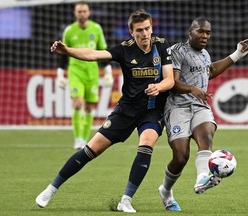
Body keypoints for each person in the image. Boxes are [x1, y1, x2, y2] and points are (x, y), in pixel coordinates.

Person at [35, 9, 174, 213]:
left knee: (146, 144)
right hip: (126, 110)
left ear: (151, 27)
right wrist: (67, 51)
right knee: (91, 149)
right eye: (139, 31)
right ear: (131, 32)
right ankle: (50, 189)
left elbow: (169, 79)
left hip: (152, 110)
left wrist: (159, 87)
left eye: (147, 29)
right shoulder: (124, 49)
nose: (145, 34)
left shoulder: (161, 46)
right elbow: (93, 55)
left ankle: (125, 200)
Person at [157, 17, 248, 211]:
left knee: (206, 136)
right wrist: (192, 89)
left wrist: (236, 55)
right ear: (190, 31)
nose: (205, 36)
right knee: (181, 156)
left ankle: (201, 178)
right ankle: (165, 191)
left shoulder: (205, 54)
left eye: (208, 32)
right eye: (201, 31)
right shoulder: (177, 51)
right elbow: (172, 82)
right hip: (177, 107)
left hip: (200, 106)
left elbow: (210, 70)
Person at [56, 1, 114, 150]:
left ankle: (84, 138)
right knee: (77, 103)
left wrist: (108, 72)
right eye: (79, 11)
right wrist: (60, 74)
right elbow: (63, 54)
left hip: (92, 73)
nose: (82, 14)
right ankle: (78, 139)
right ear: (75, 13)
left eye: (84, 11)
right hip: (75, 72)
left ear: (88, 13)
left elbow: (103, 51)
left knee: (89, 107)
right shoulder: (69, 31)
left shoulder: (96, 29)